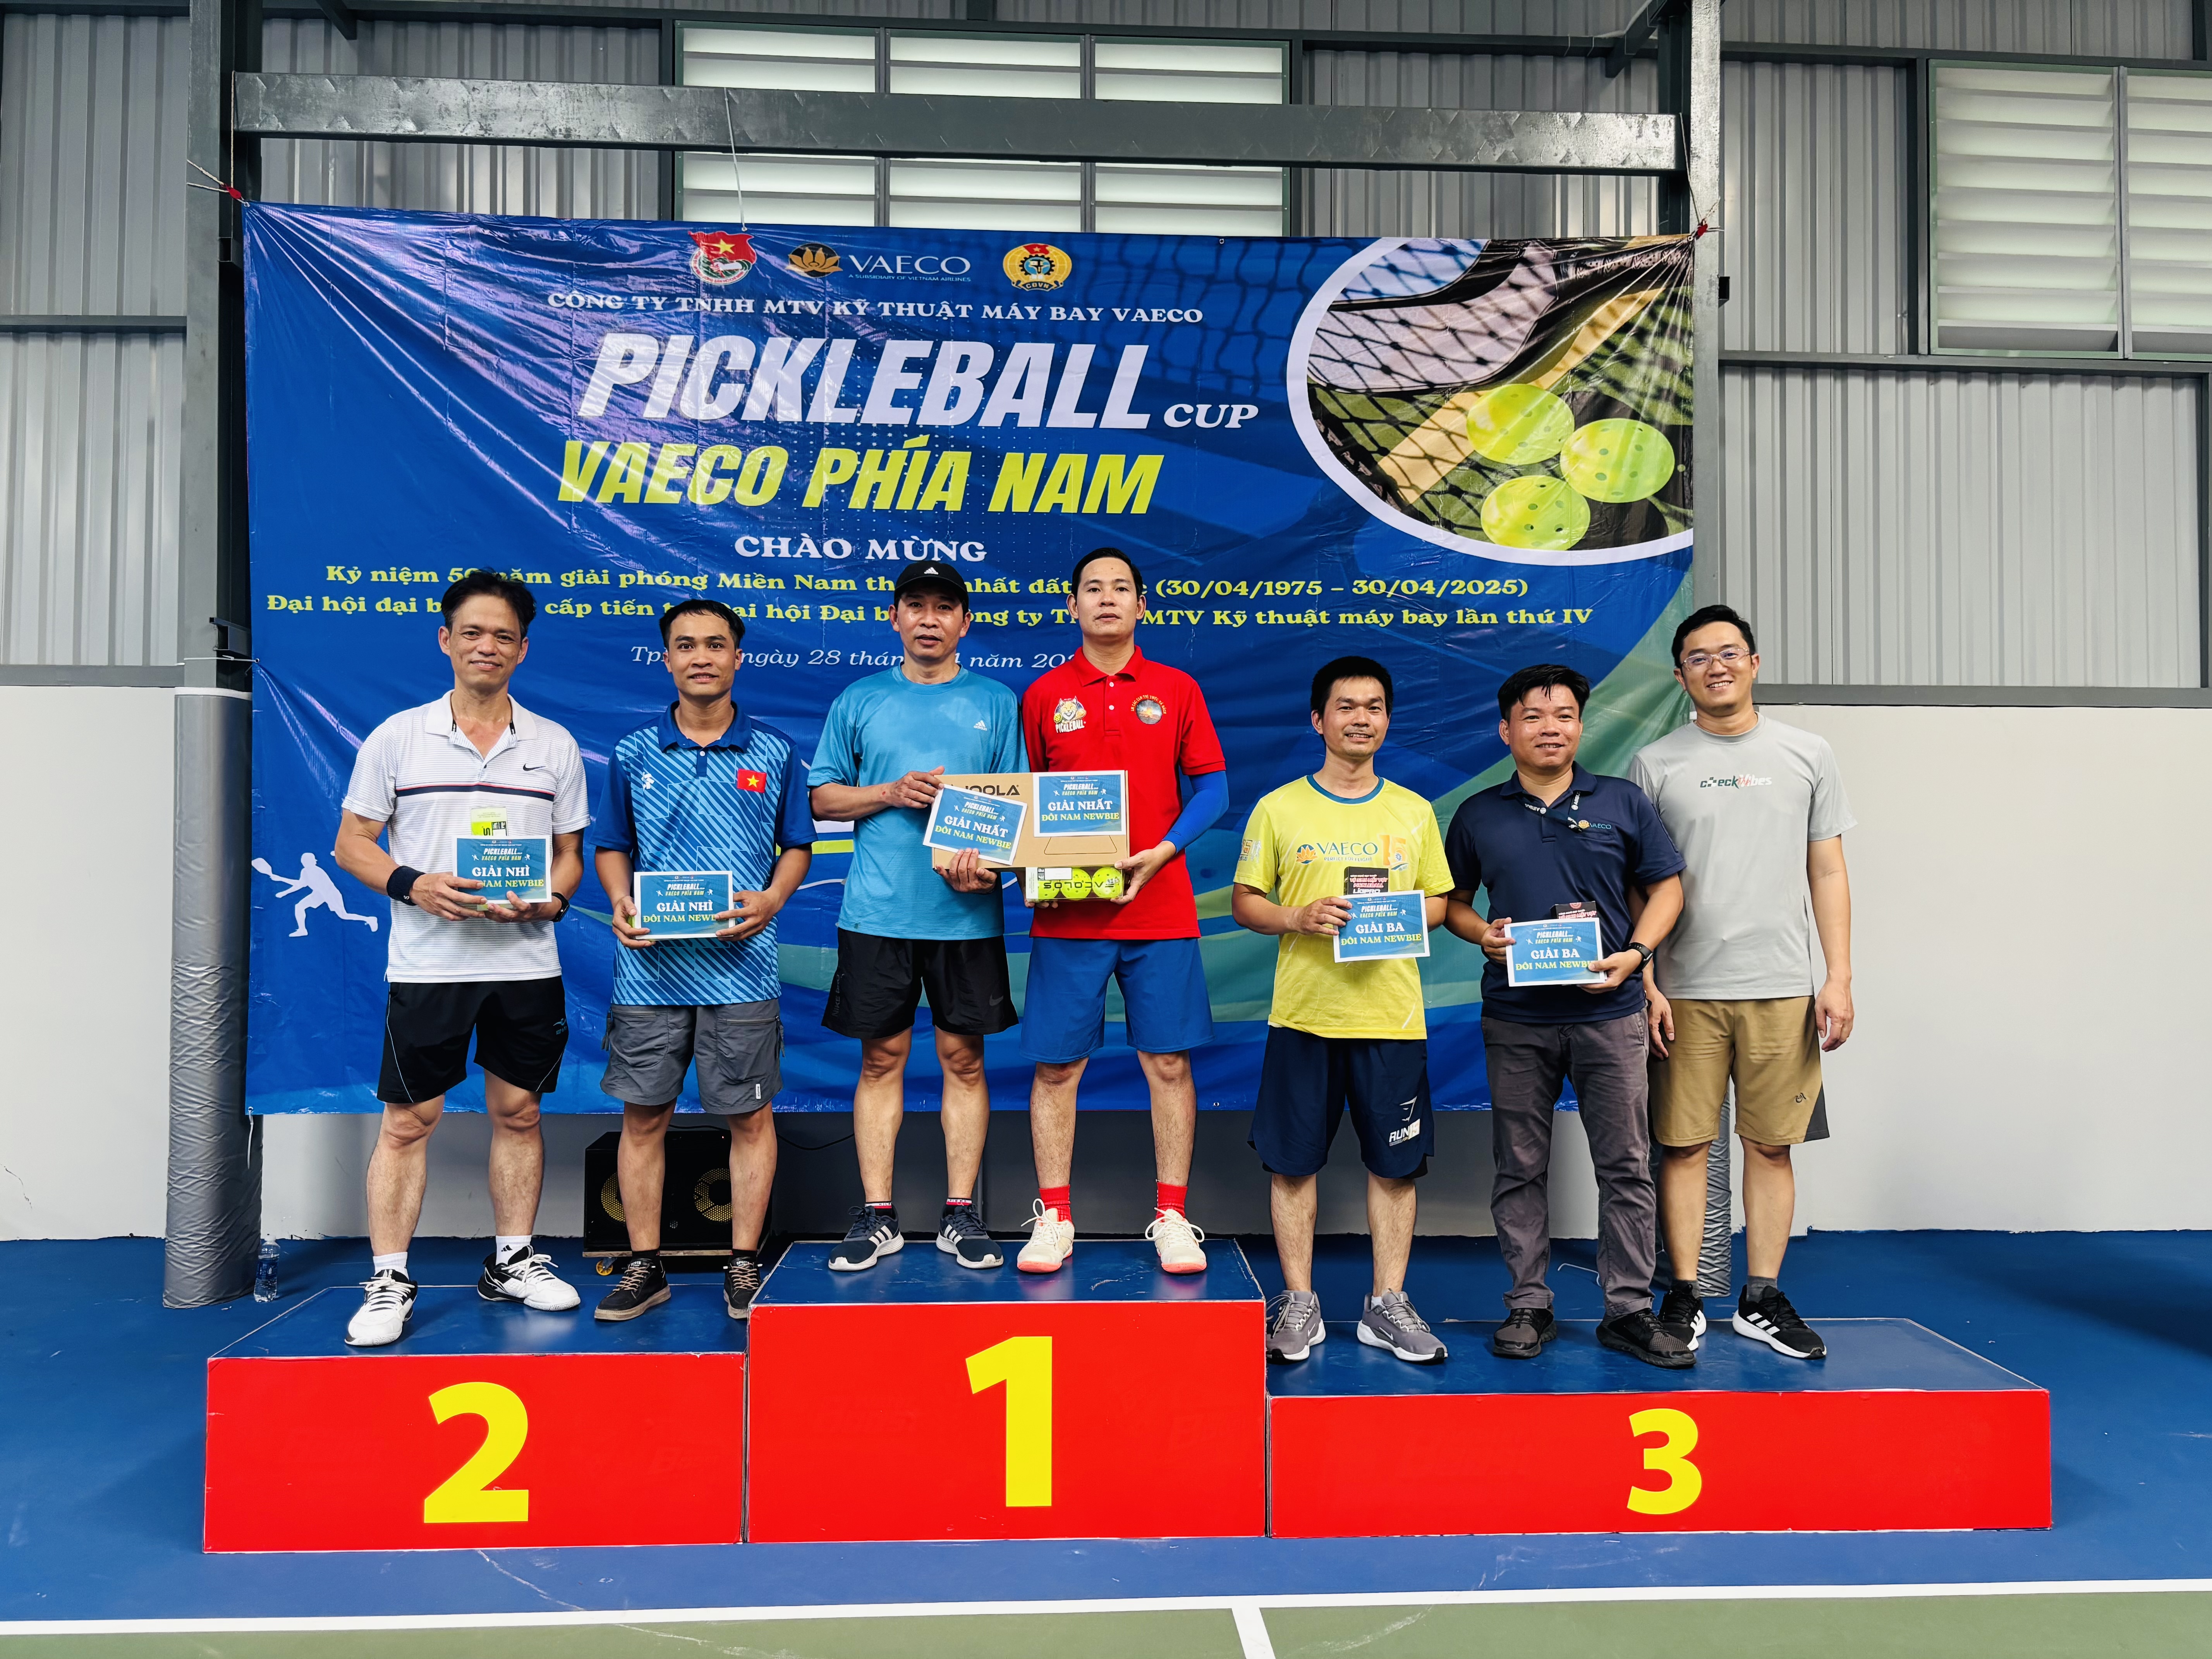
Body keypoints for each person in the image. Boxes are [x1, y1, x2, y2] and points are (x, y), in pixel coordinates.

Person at [330, 570, 589, 1347]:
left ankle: (512, 1261)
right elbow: (352, 844)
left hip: (525, 966)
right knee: (410, 1122)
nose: (487, 646)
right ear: (446, 640)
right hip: (429, 966)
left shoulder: (554, 745)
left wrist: (552, 900)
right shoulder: (397, 737)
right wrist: (413, 884)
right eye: (472, 632)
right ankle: (389, 1279)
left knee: (521, 1113)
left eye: (503, 636)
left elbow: (570, 855)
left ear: (523, 649)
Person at [1443, 663, 1691, 1369]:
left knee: (1626, 1165)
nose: (1549, 728)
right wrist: (1481, 934)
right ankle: (1529, 1303)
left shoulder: (1623, 801)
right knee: (1519, 1166)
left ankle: (1629, 1310)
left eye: (1563, 716)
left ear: (1581, 726)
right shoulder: (1478, 813)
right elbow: (1453, 903)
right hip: (1517, 1018)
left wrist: (1637, 956)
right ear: (1506, 730)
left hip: (1609, 1014)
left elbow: (1667, 890)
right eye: (1533, 716)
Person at [1630, 603, 1855, 1361]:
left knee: (1771, 1146)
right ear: (1680, 676)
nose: (1716, 666)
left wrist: (1838, 976)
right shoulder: (1656, 764)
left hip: (1783, 987)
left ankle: (1762, 1297)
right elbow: (1639, 885)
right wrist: (1648, 980)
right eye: (1699, 657)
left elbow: (1828, 869)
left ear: (1755, 664)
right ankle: (1685, 1295)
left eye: (1729, 653)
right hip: (1685, 988)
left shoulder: (1807, 753)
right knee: (1683, 1147)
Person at [589, 598, 814, 1324]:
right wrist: (621, 901)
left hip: (742, 970)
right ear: (667, 659)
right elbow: (612, 846)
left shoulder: (774, 751)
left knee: (750, 1119)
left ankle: (744, 1262)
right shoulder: (633, 752)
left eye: (716, 644)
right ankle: (644, 1265)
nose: (701, 657)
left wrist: (773, 899)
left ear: (737, 657)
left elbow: (798, 846)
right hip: (649, 973)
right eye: (685, 645)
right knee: (643, 1119)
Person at [1232, 656, 1455, 1365]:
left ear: (1387, 720)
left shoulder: (1414, 811)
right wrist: (1297, 916)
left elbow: (1440, 903)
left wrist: (1396, 916)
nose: (1362, 719)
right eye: (1346, 707)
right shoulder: (1279, 808)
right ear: (1318, 720)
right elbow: (1246, 902)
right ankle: (1299, 1301)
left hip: (1391, 1021)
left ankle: (1386, 1304)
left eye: (1374, 707)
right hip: (1304, 1018)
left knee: (1395, 1167)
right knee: (1292, 1165)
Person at [808, 560, 1026, 1271]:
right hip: (878, 914)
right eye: (916, 605)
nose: (930, 619)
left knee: (965, 1059)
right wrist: (890, 792)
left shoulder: (996, 701)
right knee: (881, 1059)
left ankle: (961, 1213)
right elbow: (823, 798)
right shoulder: (861, 699)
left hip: (967, 918)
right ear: (895, 618)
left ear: (965, 622)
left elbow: (1020, 814)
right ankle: (878, 1215)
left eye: (944, 607)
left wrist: (993, 866)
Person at [1016, 549, 1229, 1275]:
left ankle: (1172, 1216)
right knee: (1056, 1069)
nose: (1106, 599)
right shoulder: (1044, 695)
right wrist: (1025, 864)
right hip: (1068, 915)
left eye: (1120, 589)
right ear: (1071, 606)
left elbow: (1214, 791)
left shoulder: (1176, 689)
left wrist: (1162, 852)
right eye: (1091, 589)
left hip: (1159, 908)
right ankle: (1054, 1218)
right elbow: (1024, 800)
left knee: (1168, 1063)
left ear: (1143, 605)